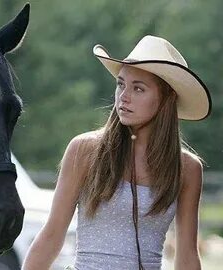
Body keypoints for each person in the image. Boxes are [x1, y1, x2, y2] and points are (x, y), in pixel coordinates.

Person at [22, 35, 211, 270]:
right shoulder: (84, 150)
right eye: (121, 84)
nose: (124, 97)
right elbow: (52, 235)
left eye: (138, 89)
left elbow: (187, 256)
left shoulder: (187, 169)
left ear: (166, 99)